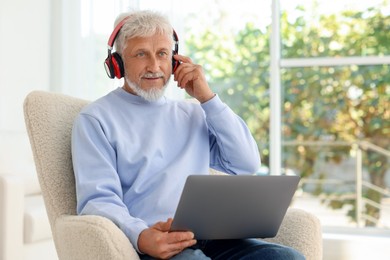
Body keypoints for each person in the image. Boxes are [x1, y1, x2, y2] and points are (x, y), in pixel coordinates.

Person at [72, 10, 305, 260]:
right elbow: (97, 200)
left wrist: (208, 98)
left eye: (162, 54)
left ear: (175, 61)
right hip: (155, 241)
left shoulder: (193, 113)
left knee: (288, 258)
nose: (154, 66)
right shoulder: (95, 119)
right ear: (117, 63)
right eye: (141, 54)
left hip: (212, 237)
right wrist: (141, 236)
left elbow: (245, 163)